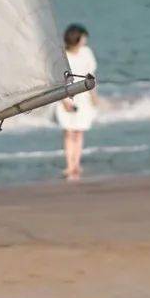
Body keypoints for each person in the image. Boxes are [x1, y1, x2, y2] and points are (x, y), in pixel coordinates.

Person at [54, 24, 98, 182]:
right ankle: (69, 164)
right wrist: (64, 100)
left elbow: (90, 76)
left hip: (83, 96)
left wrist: (94, 95)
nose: (85, 40)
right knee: (68, 131)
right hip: (66, 94)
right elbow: (59, 80)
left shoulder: (86, 53)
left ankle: (76, 164)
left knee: (79, 131)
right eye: (83, 37)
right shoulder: (63, 55)